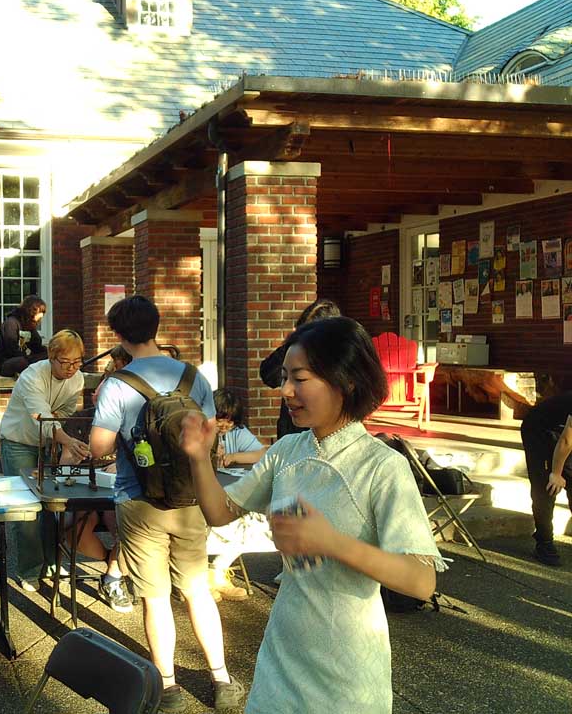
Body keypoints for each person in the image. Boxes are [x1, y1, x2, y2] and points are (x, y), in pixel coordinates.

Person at [183, 316, 443, 714]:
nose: (286, 390)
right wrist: (199, 458)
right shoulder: (287, 450)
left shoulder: (382, 467)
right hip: (282, 652)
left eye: (300, 378)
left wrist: (332, 542)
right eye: (285, 377)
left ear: (347, 381)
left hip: (349, 667)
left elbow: (421, 581)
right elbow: (221, 512)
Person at [90, 295, 244, 714]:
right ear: (157, 327)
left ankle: (171, 688)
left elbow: (100, 446)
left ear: (118, 335)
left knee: (155, 598)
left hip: (139, 501)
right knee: (196, 589)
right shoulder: (194, 377)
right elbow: (209, 438)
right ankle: (222, 679)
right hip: (192, 498)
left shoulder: (117, 384)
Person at [0, 329, 89, 591]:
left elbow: (66, 411)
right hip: (18, 443)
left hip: (47, 443)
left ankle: (50, 562)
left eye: (77, 361)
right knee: (25, 509)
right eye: (66, 362)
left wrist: (56, 428)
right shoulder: (32, 375)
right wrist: (65, 439)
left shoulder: (78, 379)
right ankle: (29, 569)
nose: (72, 368)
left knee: (51, 505)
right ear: (51, 356)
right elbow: (41, 416)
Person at [205, 387, 268, 602]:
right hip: (205, 496)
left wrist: (234, 456)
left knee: (251, 523)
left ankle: (217, 569)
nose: (224, 426)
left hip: (231, 493)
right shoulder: (203, 432)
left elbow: (262, 453)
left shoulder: (237, 433)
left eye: (230, 421)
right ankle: (198, 575)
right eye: (220, 419)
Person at [259, 298, 341, 440]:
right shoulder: (293, 353)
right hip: (292, 433)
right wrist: (290, 345)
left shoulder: (339, 363)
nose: (286, 391)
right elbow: (268, 376)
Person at [520, 390, 572, 566]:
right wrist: (556, 473)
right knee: (547, 486)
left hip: (563, 431)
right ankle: (545, 542)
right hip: (539, 430)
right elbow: (566, 441)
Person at [0, 295, 48, 377]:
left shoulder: (29, 325)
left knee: (48, 355)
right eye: (40, 311)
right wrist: (30, 359)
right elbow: (12, 350)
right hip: (7, 363)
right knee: (21, 362)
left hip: (25, 360)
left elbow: (37, 347)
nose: (41, 315)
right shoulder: (11, 323)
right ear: (30, 310)